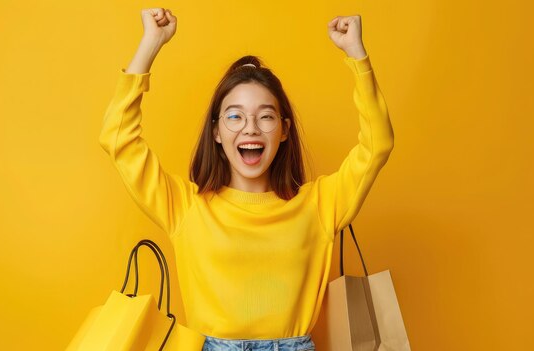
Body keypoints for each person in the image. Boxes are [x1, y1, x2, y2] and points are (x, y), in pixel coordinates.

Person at [99, 7, 394, 351]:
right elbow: (118, 140)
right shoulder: (185, 206)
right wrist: (150, 44)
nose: (250, 127)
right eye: (235, 115)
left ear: (284, 130)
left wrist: (357, 56)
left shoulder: (320, 204)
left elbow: (377, 145)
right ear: (216, 132)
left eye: (265, 116)